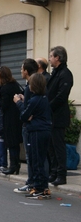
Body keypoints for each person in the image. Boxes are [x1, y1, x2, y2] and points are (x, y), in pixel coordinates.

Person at [14, 73, 52, 199]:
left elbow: (24, 116)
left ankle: (38, 188)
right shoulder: (43, 98)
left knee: (36, 160)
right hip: (44, 130)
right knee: (40, 159)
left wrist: (19, 103)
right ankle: (44, 187)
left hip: (36, 131)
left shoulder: (35, 100)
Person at [46, 46, 73, 186]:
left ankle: (61, 175)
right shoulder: (55, 73)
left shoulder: (65, 74)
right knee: (51, 146)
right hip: (51, 116)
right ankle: (54, 171)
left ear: (57, 58)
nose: (50, 58)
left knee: (58, 146)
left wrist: (48, 106)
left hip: (58, 116)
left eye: (51, 56)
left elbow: (61, 96)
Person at [13, 58, 39, 193]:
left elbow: (27, 112)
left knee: (31, 156)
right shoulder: (35, 87)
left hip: (29, 126)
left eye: (22, 69)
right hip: (36, 126)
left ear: (26, 71)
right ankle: (35, 183)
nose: (20, 71)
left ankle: (32, 183)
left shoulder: (30, 88)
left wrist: (18, 101)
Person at [0, 66, 23, 175]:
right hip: (16, 117)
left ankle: (13, 165)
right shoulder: (15, 85)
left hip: (10, 118)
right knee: (14, 143)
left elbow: (4, 104)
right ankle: (15, 165)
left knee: (11, 142)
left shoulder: (5, 88)